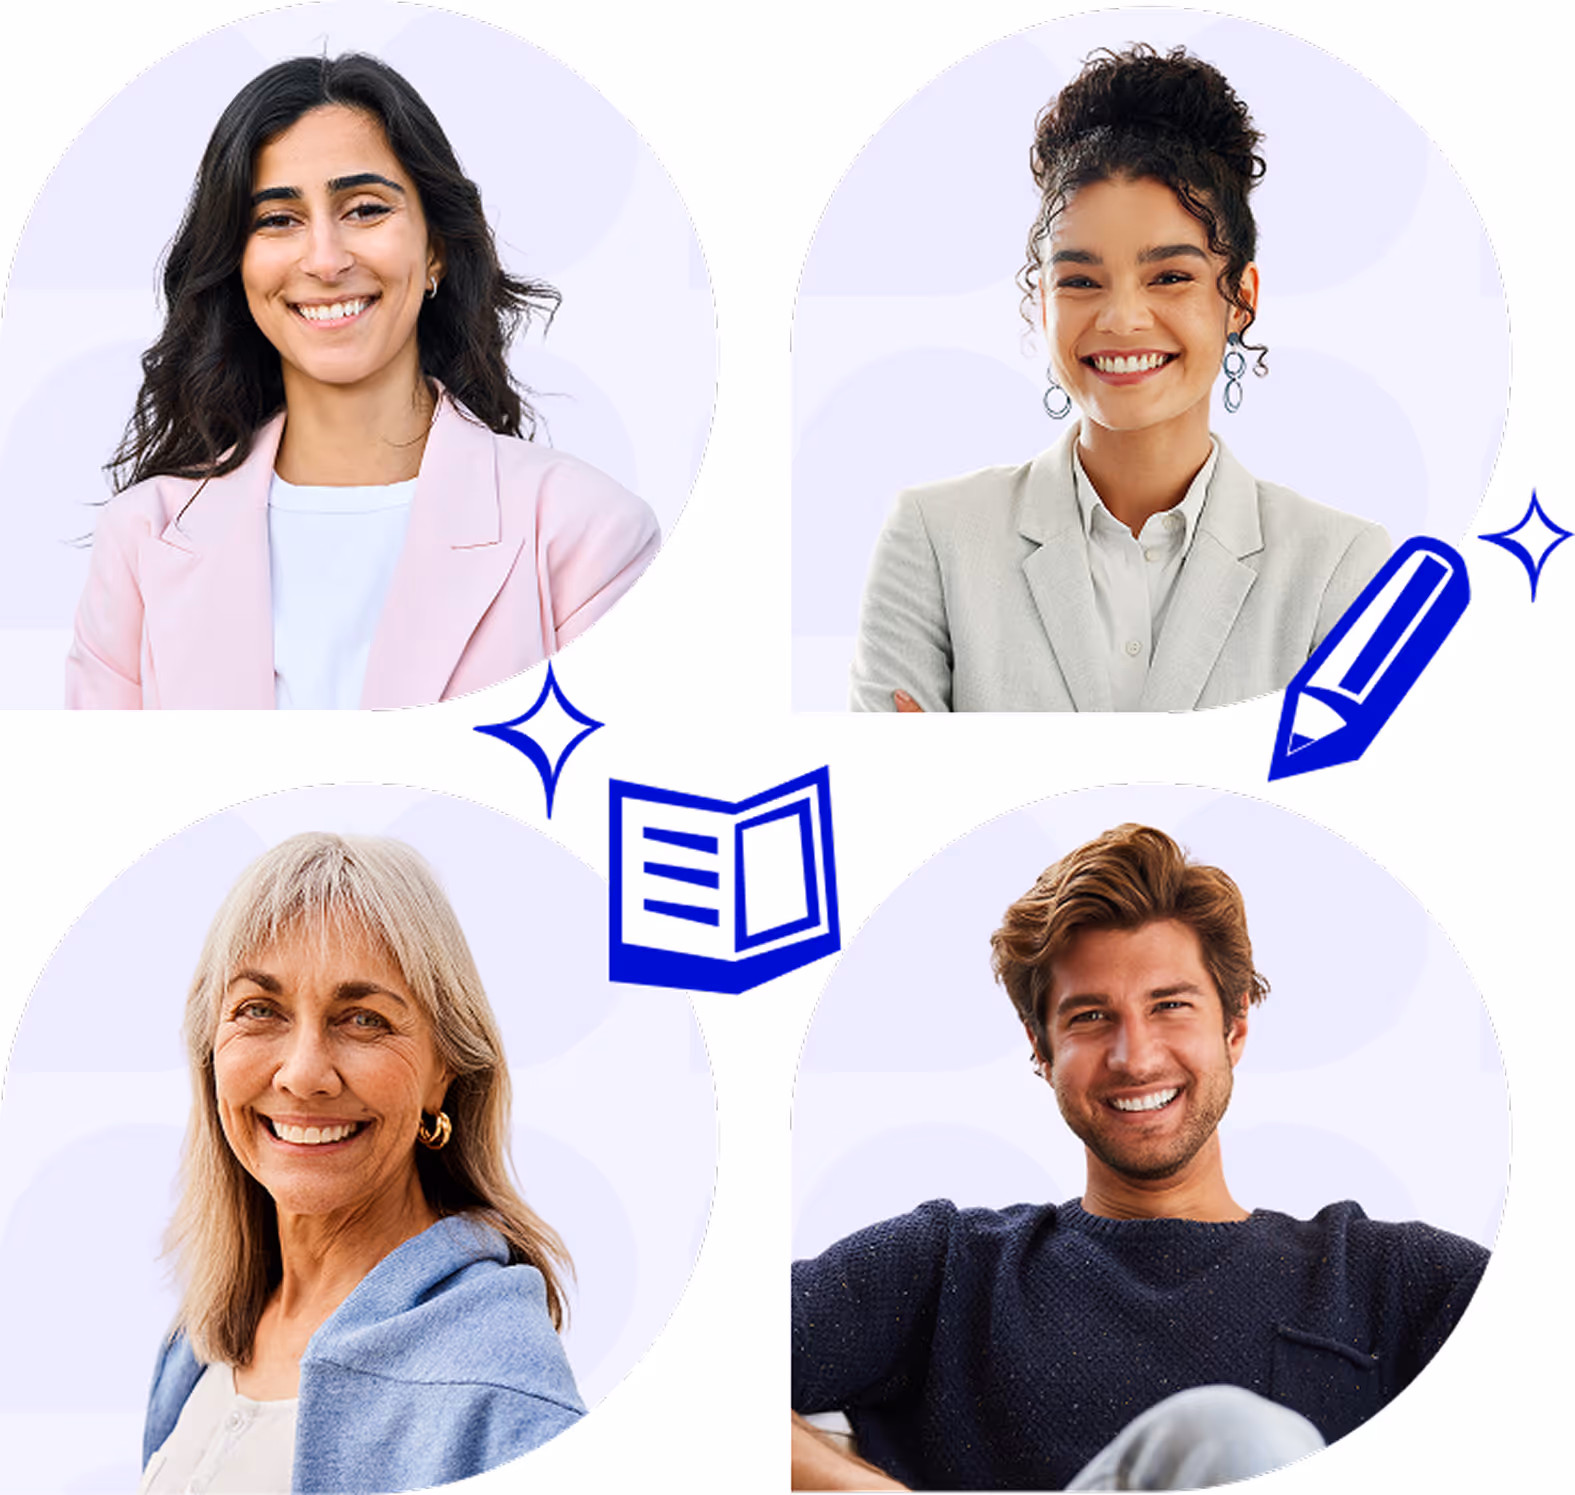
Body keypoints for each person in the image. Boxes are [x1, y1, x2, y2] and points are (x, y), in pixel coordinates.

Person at [790, 824, 1488, 1490]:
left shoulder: (1391, 1280)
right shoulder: (944, 1269)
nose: (1135, 1056)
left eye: (1170, 1005)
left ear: (1234, 1024)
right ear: (1040, 1049)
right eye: (1090, 1016)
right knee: (1229, 1435)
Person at [67, 53, 659, 710]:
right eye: (277, 220)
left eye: (365, 209)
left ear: (434, 247)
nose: (324, 260)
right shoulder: (142, 540)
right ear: (238, 265)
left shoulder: (586, 534)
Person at [849, 45, 1391, 712]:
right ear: (1042, 302)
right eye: (1080, 280)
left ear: (1240, 298)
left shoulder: (1345, 566)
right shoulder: (934, 537)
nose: (1122, 319)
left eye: (1169, 276)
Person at [139, 833, 584, 1493]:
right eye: (259, 1010)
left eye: (364, 1020)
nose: (304, 1072)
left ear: (445, 1073)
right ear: (210, 1049)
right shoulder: (201, 1338)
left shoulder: (500, 1386)